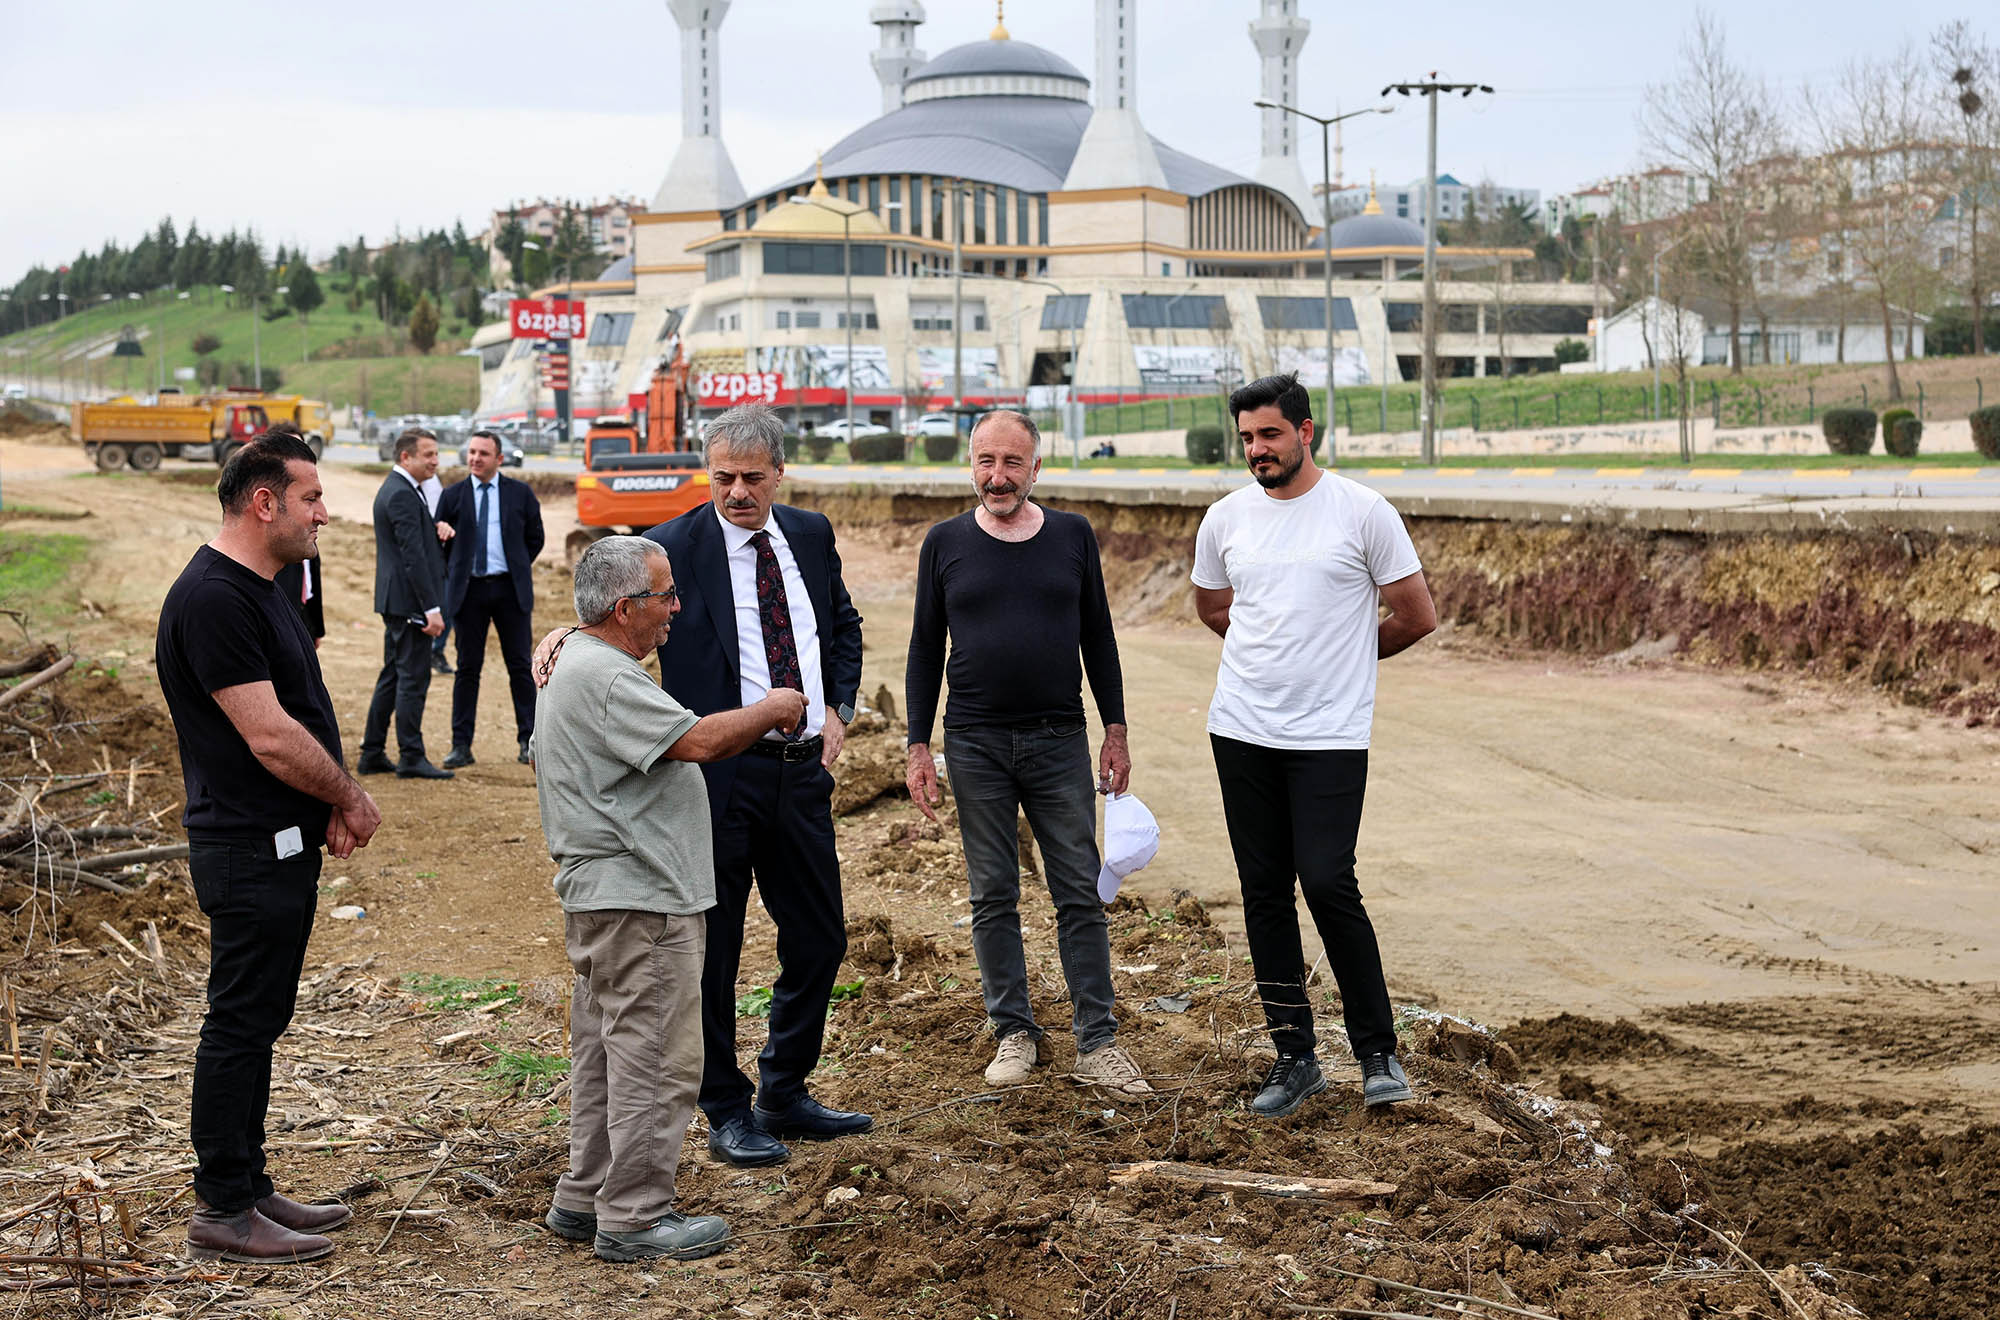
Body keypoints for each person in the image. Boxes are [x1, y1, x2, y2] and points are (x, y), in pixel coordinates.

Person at [534, 535, 808, 1262]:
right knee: (655, 1058)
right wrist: (773, 706)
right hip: (640, 898)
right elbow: (703, 742)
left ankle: (586, 1196)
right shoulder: (606, 677)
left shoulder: (578, 661)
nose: (677, 608)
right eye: (665, 596)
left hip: (606, 896)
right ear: (624, 608)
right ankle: (634, 1215)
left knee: (607, 1056)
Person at [155, 429, 382, 1263]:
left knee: (259, 1017)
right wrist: (347, 794)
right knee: (241, 1022)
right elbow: (271, 735)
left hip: (276, 841)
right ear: (264, 502)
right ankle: (222, 1207)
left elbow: (298, 709)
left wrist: (324, 802)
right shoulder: (214, 598)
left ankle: (248, 1186)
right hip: (246, 847)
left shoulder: (263, 586)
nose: (323, 513)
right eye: (311, 498)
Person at [1190, 372, 1437, 1116]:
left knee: (1329, 881)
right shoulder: (1225, 519)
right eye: (1246, 438)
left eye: (1269, 434)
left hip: (1329, 735)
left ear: (1305, 432)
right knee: (1264, 892)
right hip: (1241, 729)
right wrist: (1267, 656)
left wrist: (1346, 660)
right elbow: (1212, 606)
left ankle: (1377, 1052)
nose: (1256, 449)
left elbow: (1416, 614)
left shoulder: (1363, 512)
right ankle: (1295, 1058)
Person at [640, 402, 870, 1167]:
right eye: (723, 478)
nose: (737, 492)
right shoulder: (670, 547)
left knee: (820, 938)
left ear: (779, 472)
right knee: (714, 950)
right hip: (716, 779)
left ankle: (784, 1090)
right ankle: (727, 1109)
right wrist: (562, 640)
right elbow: (615, 622)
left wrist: (838, 706)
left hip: (801, 776)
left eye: (751, 478)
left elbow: (842, 625)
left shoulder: (810, 533)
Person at [904, 409, 1151, 1096]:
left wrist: (1116, 729)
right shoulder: (944, 543)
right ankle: (1014, 1032)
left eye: (1012, 462)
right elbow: (925, 647)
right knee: (993, 893)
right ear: (971, 466)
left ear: (1036, 468)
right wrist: (918, 745)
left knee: (1079, 889)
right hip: (975, 742)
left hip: (1059, 739)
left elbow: (1098, 637)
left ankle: (1097, 1041)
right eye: (986, 461)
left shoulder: (1072, 535)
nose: (998, 476)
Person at [435, 429, 545, 767]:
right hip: (468, 593)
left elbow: (535, 538)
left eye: (483, 453)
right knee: (467, 669)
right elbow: (439, 540)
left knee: (519, 667)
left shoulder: (520, 494)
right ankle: (461, 745)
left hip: (510, 590)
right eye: (471, 452)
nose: (475, 458)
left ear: (499, 458)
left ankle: (529, 741)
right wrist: (449, 550)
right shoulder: (452, 496)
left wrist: (515, 565)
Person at [358, 427, 452, 779]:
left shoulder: (403, 489)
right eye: (428, 455)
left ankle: (372, 752)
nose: (435, 461)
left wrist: (436, 531)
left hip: (397, 600)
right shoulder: (400, 493)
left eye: (436, 454)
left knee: (393, 675)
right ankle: (411, 756)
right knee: (412, 679)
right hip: (410, 603)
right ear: (405, 456)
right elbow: (412, 557)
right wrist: (431, 609)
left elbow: (415, 543)